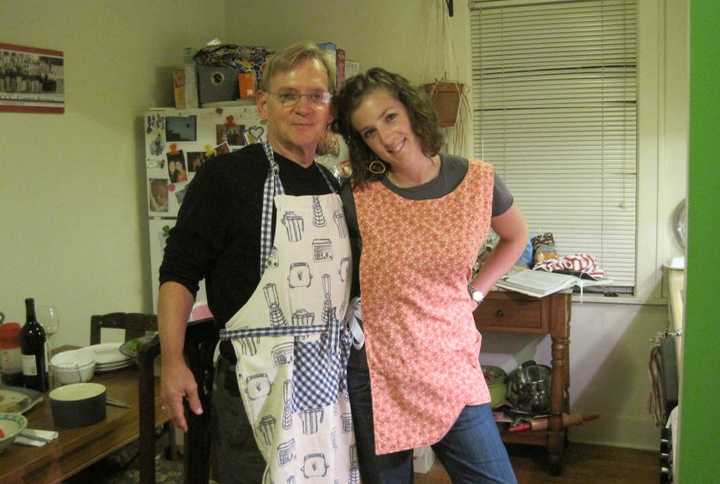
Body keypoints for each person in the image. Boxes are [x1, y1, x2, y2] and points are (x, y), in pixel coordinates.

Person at [158, 42, 358, 484]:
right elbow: (179, 272)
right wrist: (172, 360)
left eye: (316, 96)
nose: (303, 107)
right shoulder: (224, 178)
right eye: (288, 95)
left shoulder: (334, 184)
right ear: (263, 105)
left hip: (328, 382)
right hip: (253, 386)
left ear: (329, 108)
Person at [332, 67, 528, 483]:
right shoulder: (357, 197)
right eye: (368, 132)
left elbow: (515, 237)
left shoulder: (478, 181)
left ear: (410, 109)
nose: (385, 137)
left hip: (449, 365)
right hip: (378, 372)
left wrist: (476, 292)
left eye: (389, 117)